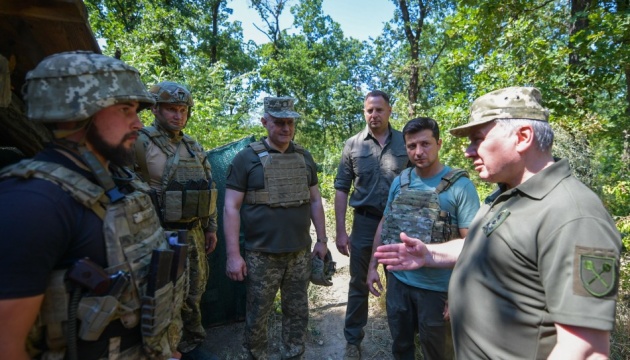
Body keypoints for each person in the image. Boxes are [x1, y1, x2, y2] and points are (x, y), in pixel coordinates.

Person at [374, 87, 622, 359]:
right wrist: (430, 253)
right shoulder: (505, 196)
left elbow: (586, 350)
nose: (469, 152)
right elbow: (479, 246)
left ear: (523, 137)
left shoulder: (574, 215)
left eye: (477, 139)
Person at [0, 51, 183, 359]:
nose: (138, 123)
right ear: (79, 111)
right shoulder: (33, 202)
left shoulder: (118, 182)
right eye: (126, 109)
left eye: (137, 110)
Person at [366, 117, 480, 360]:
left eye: (425, 144)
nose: (418, 152)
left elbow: (472, 246)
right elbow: (385, 223)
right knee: (401, 347)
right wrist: (373, 266)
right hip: (398, 283)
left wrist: (458, 293)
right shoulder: (401, 181)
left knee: (438, 353)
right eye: (411, 146)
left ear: (439, 144)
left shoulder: (460, 187)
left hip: (438, 290)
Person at [223, 96, 328, 359]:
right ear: (264, 122)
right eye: (279, 122)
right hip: (261, 254)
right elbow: (230, 208)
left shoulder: (304, 157)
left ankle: (293, 353)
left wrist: (322, 241)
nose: (286, 128)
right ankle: (255, 355)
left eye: (290, 123)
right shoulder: (245, 159)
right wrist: (233, 255)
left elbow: (315, 200)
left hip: (299, 253)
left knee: (297, 311)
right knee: (257, 314)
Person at [134, 81, 218, 360]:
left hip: (193, 232)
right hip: (159, 235)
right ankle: (167, 350)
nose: (178, 115)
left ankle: (192, 344)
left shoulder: (193, 146)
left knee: (195, 293)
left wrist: (210, 228)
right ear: (156, 109)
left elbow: (208, 188)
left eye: (182, 110)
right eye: (171, 109)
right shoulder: (141, 142)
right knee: (166, 298)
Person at [334, 90, 409, 359]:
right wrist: (341, 231)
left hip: (400, 225)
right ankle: (353, 341)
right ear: (364, 112)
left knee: (401, 283)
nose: (374, 114)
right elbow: (342, 188)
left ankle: (404, 343)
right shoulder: (353, 145)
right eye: (369, 110)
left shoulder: (406, 142)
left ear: (389, 111)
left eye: (379, 109)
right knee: (358, 282)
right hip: (365, 223)